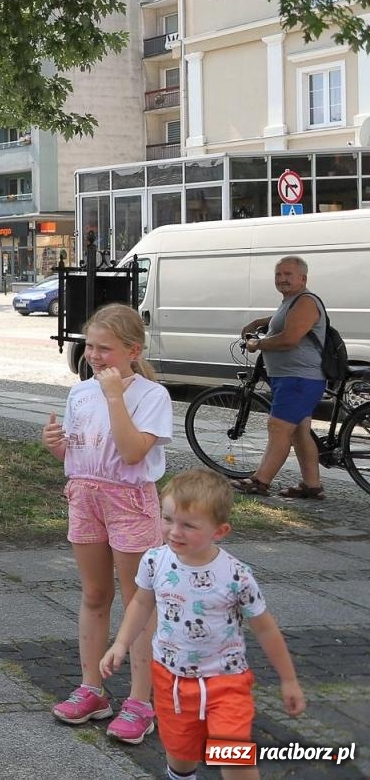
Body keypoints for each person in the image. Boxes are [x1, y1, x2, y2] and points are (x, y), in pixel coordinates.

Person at [101, 469, 305, 780]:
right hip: (171, 679)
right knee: (180, 755)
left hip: (226, 682)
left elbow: (265, 628)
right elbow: (141, 604)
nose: (174, 532)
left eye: (189, 525)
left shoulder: (236, 575)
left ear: (219, 531)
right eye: (168, 519)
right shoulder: (155, 561)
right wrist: (120, 643)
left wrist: (288, 680)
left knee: (233, 755)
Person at [42, 303, 173, 746]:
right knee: (95, 594)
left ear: (133, 351)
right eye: (90, 346)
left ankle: (140, 701)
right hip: (85, 497)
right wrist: (56, 446)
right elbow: (80, 453)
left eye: (105, 349)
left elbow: (132, 452)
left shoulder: (151, 396)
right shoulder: (80, 393)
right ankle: (92, 689)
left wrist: (115, 396)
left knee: (138, 601)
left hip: (129, 502)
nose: (94, 356)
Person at [233, 256, 328, 499]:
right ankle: (312, 485)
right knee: (299, 432)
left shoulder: (306, 301)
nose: (282, 279)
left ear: (303, 278)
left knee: (278, 428)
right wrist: (261, 321)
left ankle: (260, 481)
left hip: (299, 379)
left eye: (288, 274)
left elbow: (289, 339)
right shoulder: (292, 301)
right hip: (293, 378)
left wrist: (257, 344)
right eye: (278, 274)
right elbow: (286, 319)